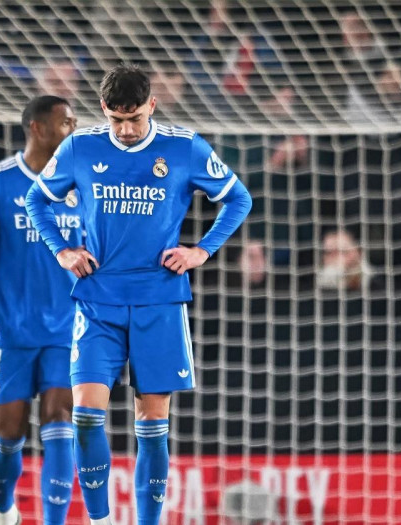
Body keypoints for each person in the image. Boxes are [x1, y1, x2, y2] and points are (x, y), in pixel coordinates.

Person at [25, 63, 252, 525]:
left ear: (152, 105)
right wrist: (63, 250)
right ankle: (100, 520)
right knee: (85, 419)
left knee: (152, 430)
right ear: (103, 110)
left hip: (160, 304)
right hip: (96, 302)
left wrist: (202, 251)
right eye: (116, 120)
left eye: (135, 119)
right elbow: (36, 200)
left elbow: (238, 198)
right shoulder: (79, 148)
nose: (126, 130)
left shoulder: (184, 148)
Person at [0, 95, 81, 525]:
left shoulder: (82, 183)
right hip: (10, 335)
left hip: (67, 330)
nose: (74, 129)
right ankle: (4, 509)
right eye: (66, 122)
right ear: (38, 128)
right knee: (8, 436)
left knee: (60, 418)